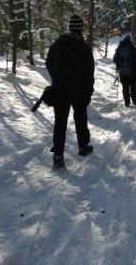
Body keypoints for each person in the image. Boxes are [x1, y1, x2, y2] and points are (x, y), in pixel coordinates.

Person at [45, 14, 95, 168]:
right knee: (80, 117)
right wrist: (88, 90)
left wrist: (57, 78)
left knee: (60, 122)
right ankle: (83, 146)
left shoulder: (57, 45)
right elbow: (89, 72)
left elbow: (49, 63)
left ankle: (58, 154)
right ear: (81, 29)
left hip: (60, 89)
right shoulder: (84, 48)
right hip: (79, 91)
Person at [113, 35, 136, 107]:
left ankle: (127, 102)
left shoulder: (119, 48)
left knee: (125, 87)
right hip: (132, 72)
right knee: (133, 87)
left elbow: (114, 60)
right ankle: (134, 100)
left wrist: (120, 63)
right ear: (130, 40)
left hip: (122, 72)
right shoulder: (132, 47)